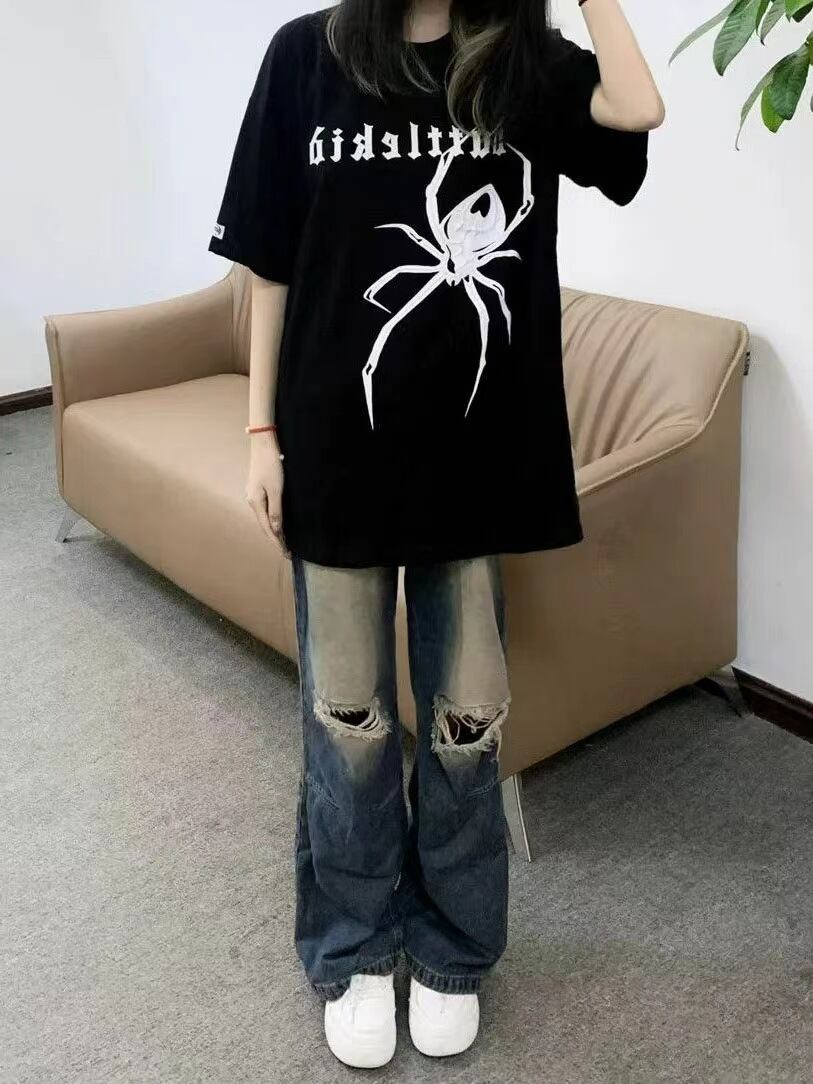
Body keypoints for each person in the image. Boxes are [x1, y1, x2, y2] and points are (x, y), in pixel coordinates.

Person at [208, 0, 663, 1068]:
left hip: (477, 461)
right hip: (334, 447)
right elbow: (271, 259)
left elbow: (636, 108)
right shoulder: (305, 56)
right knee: (348, 715)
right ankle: (354, 943)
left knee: (466, 717)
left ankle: (455, 944)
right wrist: (262, 430)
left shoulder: (517, 64)